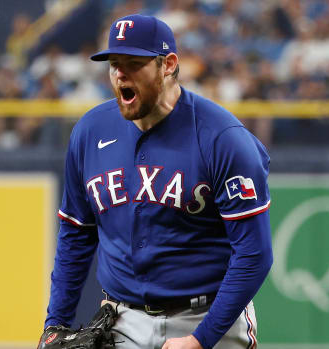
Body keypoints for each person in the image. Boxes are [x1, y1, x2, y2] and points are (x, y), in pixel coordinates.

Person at [40, 14, 273, 349]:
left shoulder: (223, 139)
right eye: (114, 64)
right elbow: (76, 234)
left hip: (208, 317)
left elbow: (254, 254)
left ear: (168, 65)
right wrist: (54, 324)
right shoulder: (90, 132)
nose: (120, 74)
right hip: (121, 319)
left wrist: (199, 339)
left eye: (134, 63)